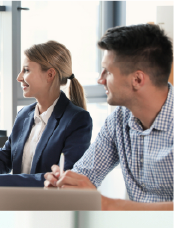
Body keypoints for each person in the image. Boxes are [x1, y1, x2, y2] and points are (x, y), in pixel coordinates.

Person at [45, 24, 174, 209]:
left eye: (108, 71)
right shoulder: (118, 121)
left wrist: (106, 204)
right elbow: (85, 173)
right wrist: (65, 183)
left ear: (137, 80)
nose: (100, 79)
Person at [0, 41, 91, 189]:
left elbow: (63, 177)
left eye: (26, 70)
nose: (19, 77)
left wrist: (0, 182)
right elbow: (4, 158)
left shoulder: (77, 120)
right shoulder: (24, 114)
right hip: (18, 205)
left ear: (50, 74)